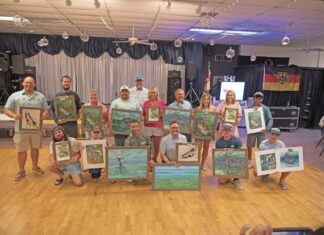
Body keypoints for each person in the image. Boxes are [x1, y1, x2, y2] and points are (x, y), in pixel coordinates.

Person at [4, 76, 49, 181]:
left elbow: (46, 110)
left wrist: (44, 116)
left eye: (31, 83)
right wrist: (15, 116)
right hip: (20, 129)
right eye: (27, 83)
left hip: (36, 129)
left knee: (35, 148)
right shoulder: (15, 96)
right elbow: (6, 109)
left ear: (35, 84)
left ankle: (35, 167)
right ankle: (21, 170)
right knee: (21, 150)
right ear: (23, 83)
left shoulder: (41, 97)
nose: (29, 85)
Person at [247, 92, 273, 168]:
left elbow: (270, 119)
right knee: (249, 146)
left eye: (260, 98)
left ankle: (261, 162)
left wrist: (267, 128)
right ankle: (249, 162)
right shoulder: (249, 108)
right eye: (256, 98)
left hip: (261, 132)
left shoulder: (265, 108)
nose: (258, 100)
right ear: (254, 98)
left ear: (262, 99)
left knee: (261, 146)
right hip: (251, 131)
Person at [215, 123, 244, 190]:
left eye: (228, 130)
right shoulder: (218, 142)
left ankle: (236, 179)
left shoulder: (237, 140)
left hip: (234, 161)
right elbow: (218, 156)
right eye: (225, 130)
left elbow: (240, 155)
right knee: (221, 181)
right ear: (222, 131)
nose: (226, 132)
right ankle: (228, 176)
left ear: (232, 132)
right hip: (224, 162)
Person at [194, 94, 217, 171]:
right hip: (199, 132)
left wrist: (213, 132)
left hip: (208, 132)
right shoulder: (198, 109)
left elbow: (215, 121)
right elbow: (195, 120)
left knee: (206, 148)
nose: (206, 101)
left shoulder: (213, 109)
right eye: (204, 99)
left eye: (207, 99)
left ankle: (202, 165)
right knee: (198, 148)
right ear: (202, 100)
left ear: (210, 100)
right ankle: (196, 164)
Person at [142, 87, 165, 162]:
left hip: (158, 127)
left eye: (154, 92)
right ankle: (149, 160)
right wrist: (145, 118)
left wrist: (161, 114)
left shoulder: (161, 103)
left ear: (157, 93)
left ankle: (155, 160)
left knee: (156, 145)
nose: (153, 94)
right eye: (151, 92)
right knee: (147, 145)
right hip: (147, 126)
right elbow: (143, 115)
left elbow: (165, 115)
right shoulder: (145, 103)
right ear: (149, 94)